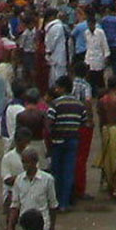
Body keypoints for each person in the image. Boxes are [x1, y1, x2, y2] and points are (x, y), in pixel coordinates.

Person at [47, 79, 88, 210]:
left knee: (56, 171)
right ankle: (65, 203)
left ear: (62, 88)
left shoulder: (55, 104)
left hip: (58, 140)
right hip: (73, 140)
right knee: (68, 171)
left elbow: (49, 124)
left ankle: (56, 201)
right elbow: (84, 122)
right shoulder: (79, 105)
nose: (56, 90)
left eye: (57, 87)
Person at [10, 147, 59, 230]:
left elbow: (53, 206)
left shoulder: (47, 179)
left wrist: (51, 229)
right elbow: (15, 206)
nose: (25, 165)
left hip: (42, 227)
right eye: (23, 162)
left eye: (27, 162)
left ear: (35, 162)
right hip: (24, 227)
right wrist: (10, 227)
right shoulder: (19, 180)